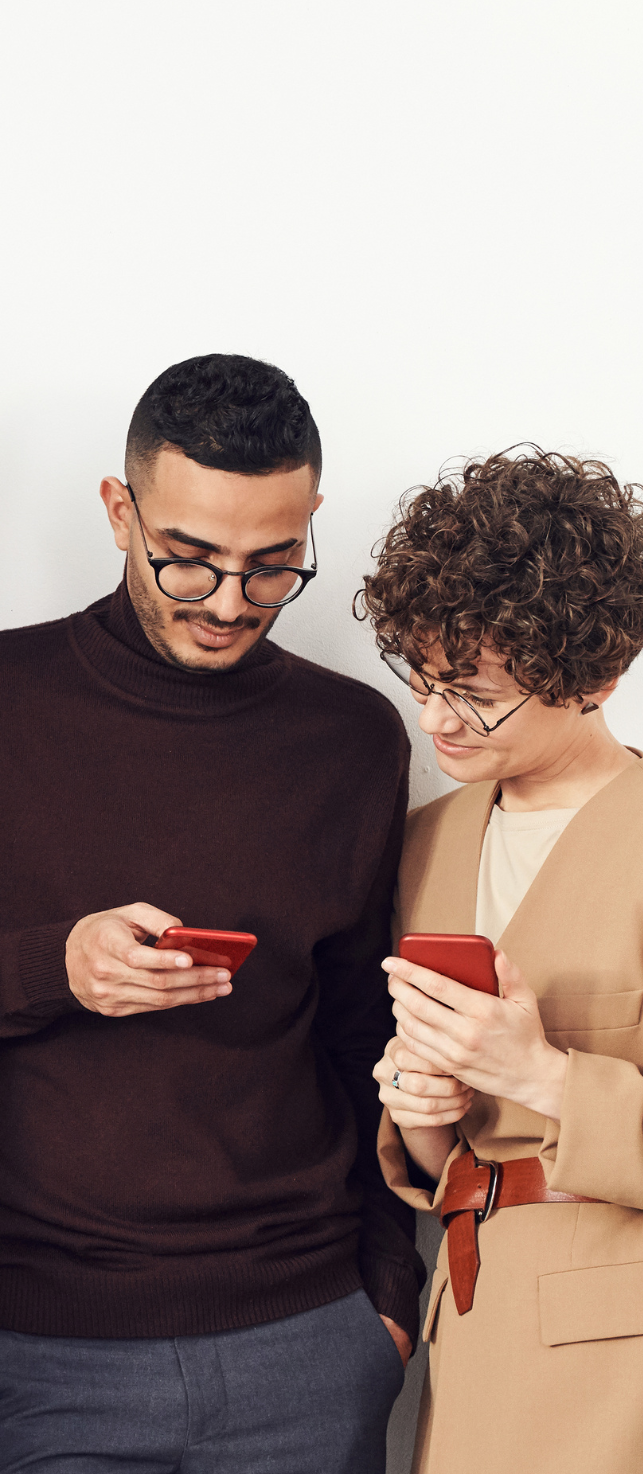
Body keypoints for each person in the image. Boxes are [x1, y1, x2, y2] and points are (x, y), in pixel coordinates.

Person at [0, 354, 420, 1473]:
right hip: (45, 1353)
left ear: (311, 518)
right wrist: (53, 969)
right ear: (119, 513)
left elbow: (363, 1040)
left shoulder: (353, 740)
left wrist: (386, 1289)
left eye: (272, 566)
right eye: (188, 561)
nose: (228, 602)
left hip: (310, 1339)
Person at [358, 449, 643, 1471]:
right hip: (473, 1331)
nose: (436, 718)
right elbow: (466, 1167)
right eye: (424, 680)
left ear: (594, 673)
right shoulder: (429, 837)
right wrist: (425, 1118)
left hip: (621, 1362)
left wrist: (545, 1076)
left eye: (473, 692)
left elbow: (537, 1101)